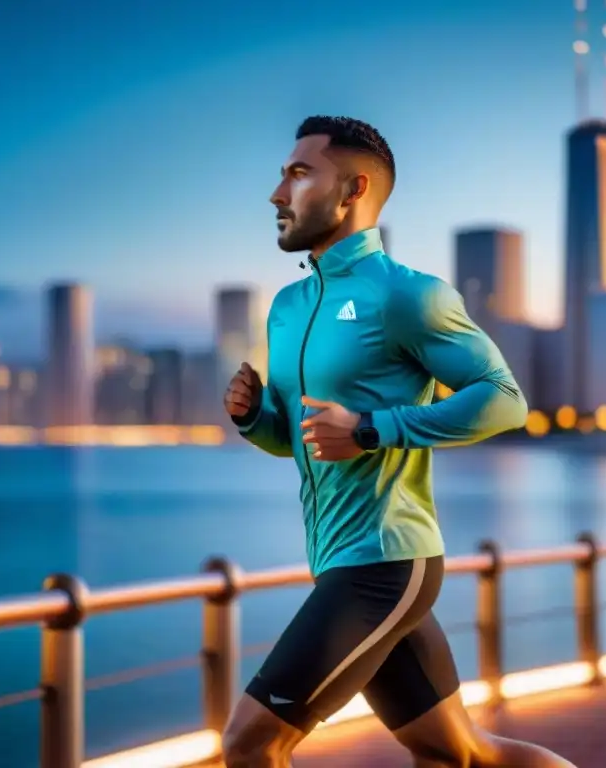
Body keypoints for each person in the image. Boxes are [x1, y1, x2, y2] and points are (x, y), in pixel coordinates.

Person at [221, 115, 576, 768]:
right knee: (458, 752)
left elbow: (504, 400)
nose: (277, 193)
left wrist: (374, 429)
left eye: (299, 174)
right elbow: (301, 442)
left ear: (354, 189)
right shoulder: (288, 307)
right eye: (282, 174)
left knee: (250, 744)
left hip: (389, 565)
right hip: (339, 563)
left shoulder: (408, 296)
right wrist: (254, 420)